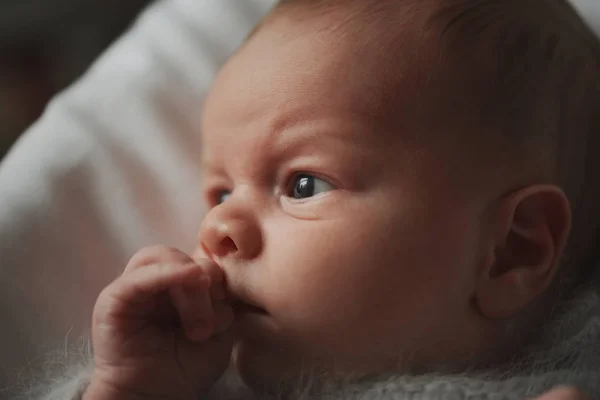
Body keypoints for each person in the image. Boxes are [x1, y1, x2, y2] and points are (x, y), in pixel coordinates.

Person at [20, 0, 600, 398]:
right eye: (220, 191)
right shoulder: (205, 380)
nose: (218, 225)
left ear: (510, 251)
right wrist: (133, 387)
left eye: (303, 184)